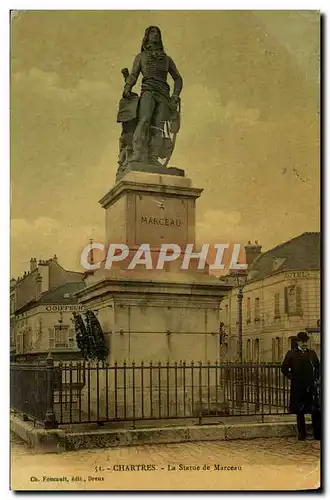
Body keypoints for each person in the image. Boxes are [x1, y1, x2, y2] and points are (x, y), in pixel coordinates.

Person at [122, 26, 183, 164]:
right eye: (152, 32)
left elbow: (178, 79)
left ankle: (153, 156)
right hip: (148, 91)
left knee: (158, 126)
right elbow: (133, 75)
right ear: (147, 36)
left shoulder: (167, 60)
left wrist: (175, 96)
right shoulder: (141, 57)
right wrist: (127, 86)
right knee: (144, 120)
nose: (155, 35)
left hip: (164, 95)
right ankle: (137, 153)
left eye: (158, 33)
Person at [281, 331, 321, 440]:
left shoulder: (312, 353)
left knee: (315, 409)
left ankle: (317, 434)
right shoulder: (291, 353)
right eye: (302, 341)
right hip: (298, 387)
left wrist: (316, 378)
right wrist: (292, 376)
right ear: (298, 342)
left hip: (310, 386)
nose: (304, 344)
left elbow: (318, 367)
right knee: (300, 411)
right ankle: (302, 433)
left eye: (306, 341)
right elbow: (284, 368)